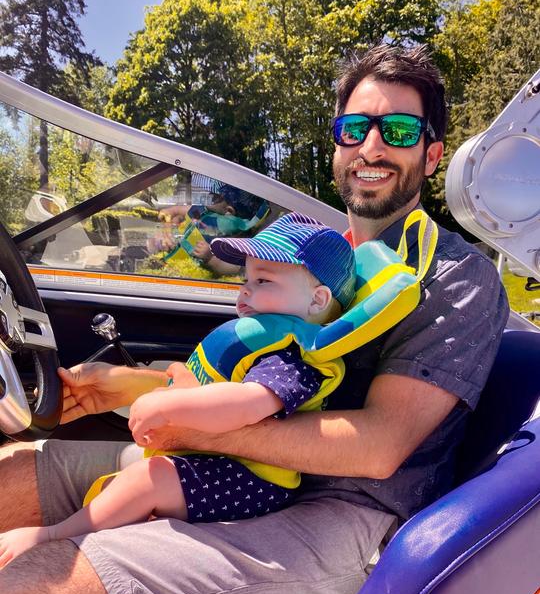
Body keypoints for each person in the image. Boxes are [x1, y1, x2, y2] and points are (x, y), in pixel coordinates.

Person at [0, 43, 509, 594]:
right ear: (336, 145)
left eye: (399, 129)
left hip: (343, 521)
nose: (372, 146)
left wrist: (201, 432)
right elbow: (235, 376)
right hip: (243, 474)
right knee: (15, 474)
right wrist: (125, 387)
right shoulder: (314, 258)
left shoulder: (454, 278)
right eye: (354, 128)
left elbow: (379, 446)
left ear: (432, 153)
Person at [0, 213, 356, 566]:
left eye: (264, 281)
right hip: (223, 460)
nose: (246, 289)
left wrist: (169, 407)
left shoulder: (293, 358)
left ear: (318, 300)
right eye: (246, 279)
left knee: (147, 480)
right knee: (129, 483)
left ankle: (53, 536)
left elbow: (246, 404)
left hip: (255, 481)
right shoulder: (264, 340)